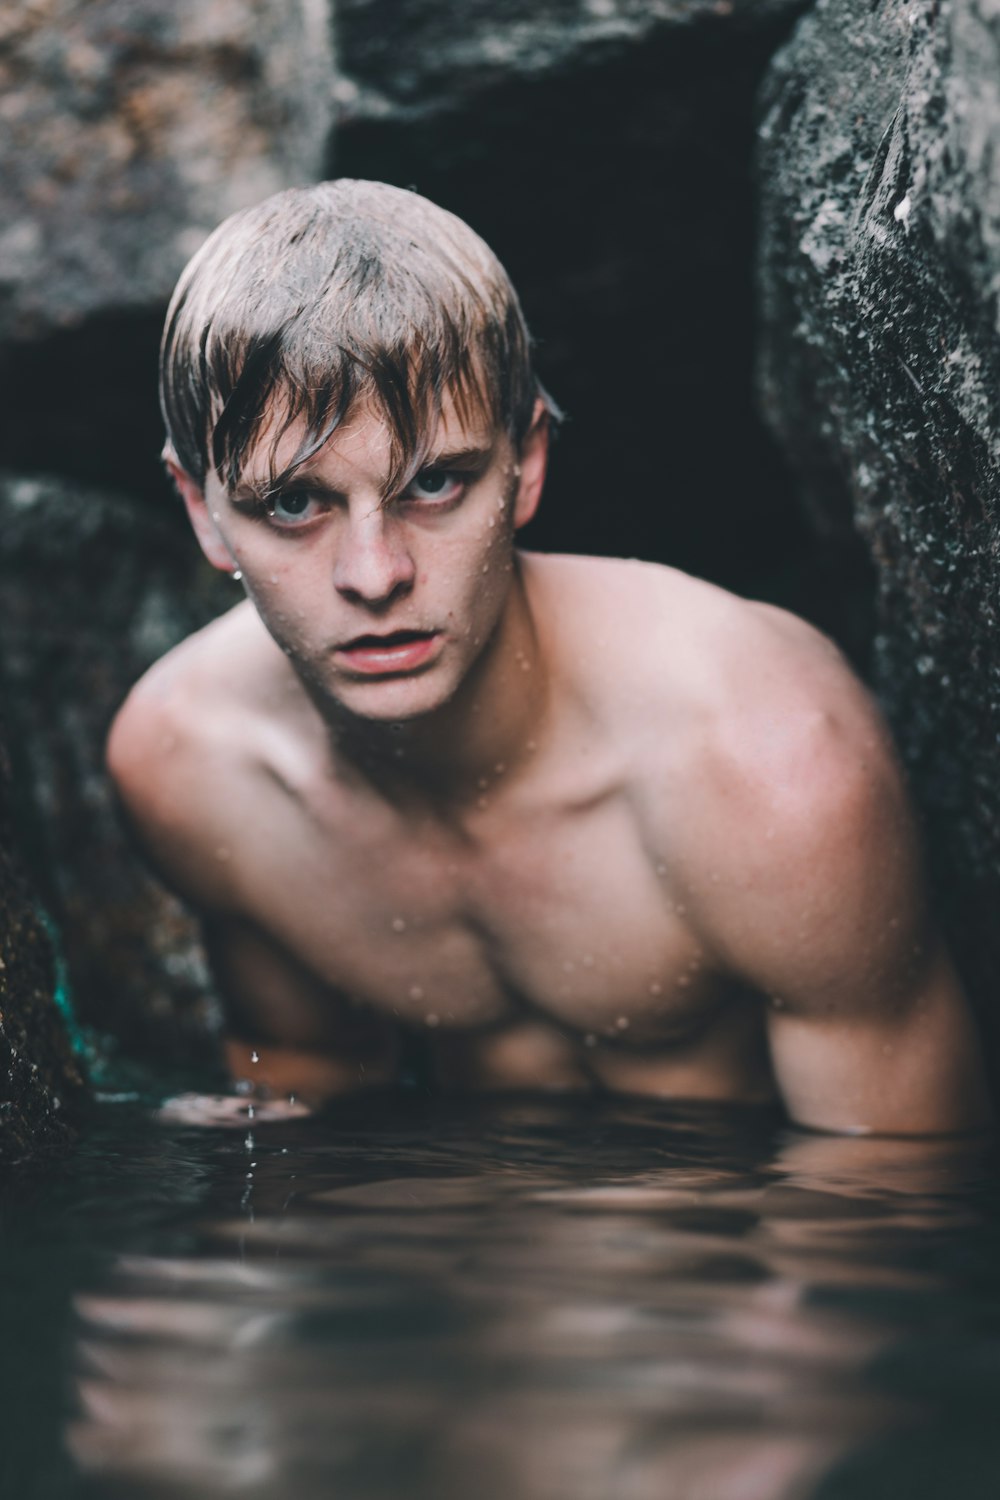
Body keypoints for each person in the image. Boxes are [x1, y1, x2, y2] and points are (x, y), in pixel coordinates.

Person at [107, 179, 991, 1133]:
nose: (374, 574)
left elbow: (894, 1204)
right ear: (201, 508)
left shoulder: (764, 761)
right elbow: (305, 1084)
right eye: (293, 503)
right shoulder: (189, 766)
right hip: (443, 1250)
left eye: (436, 482)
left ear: (525, 464)